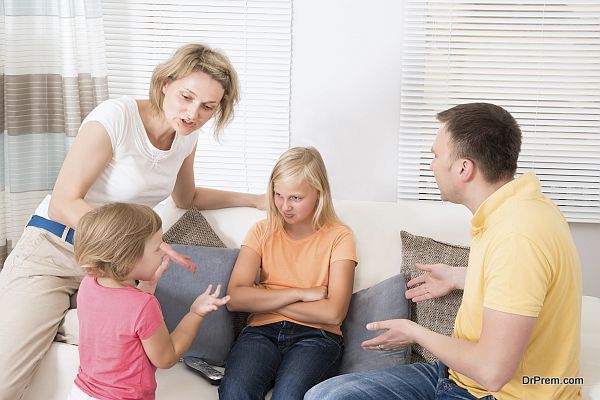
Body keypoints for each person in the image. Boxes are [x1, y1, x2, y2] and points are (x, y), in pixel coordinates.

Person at [0, 43, 263, 399]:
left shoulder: (186, 138)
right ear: (165, 83)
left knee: (137, 343)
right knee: (5, 380)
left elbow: (186, 198)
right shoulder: (116, 117)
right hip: (55, 250)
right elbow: (64, 203)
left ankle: (57, 321)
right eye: (186, 97)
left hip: (114, 271)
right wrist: (136, 244)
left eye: (207, 107)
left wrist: (255, 199)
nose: (192, 113)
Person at [305, 103, 582, 400]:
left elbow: (493, 371)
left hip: (496, 394)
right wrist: (462, 276)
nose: (432, 165)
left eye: (436, 156)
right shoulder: (518, 208)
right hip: (457, 377)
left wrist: (414, 332)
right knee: (327, 395)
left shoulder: (518, 235)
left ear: (464, 168)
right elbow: (520, 280)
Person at [218, 147, 358, 400]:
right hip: (261, 332)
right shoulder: (261, 231)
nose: (284, 206)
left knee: (289, 395)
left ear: (319, 192)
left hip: (317, 337)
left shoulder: (340, 236)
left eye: (295, 198)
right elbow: (235, 299)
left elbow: (333, 312)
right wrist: (300, 294)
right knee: (235, 392)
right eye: (278, 195)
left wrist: (266, 296)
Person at [68, 202, 229, 400]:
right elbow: (166, 357)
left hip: (81, 393)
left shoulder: (88, 285)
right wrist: (195, 313)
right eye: (156, 248)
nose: (163, 252)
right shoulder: (143, 305)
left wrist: (148, 286)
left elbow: (122, 317)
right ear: (128, 259)